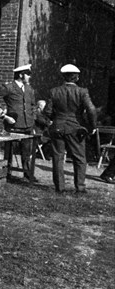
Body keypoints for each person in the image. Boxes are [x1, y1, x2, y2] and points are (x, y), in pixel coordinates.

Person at [44, 64, 97, 193]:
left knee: (58, 157)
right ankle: (80, 187)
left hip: (58, 126)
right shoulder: (82, 91)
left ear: (63, 77)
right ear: (77, 77)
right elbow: (91, 109)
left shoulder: (54, 91)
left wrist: (53, 119)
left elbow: (47, 111)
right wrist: (92, 126)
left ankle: (59, 188)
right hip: (75, 127)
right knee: (79, 158)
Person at [0, 64, 38, 182]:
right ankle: (6, 172)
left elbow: (33, 106)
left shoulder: (29, 89)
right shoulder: (8, 87)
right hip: (13, 124)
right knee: (9, 150)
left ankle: (27, 174)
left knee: (26, 150)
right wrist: (3, 113)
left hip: (27, 125)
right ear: (21, 75)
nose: (29, 77)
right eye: (28, 74)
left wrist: (32, 118)